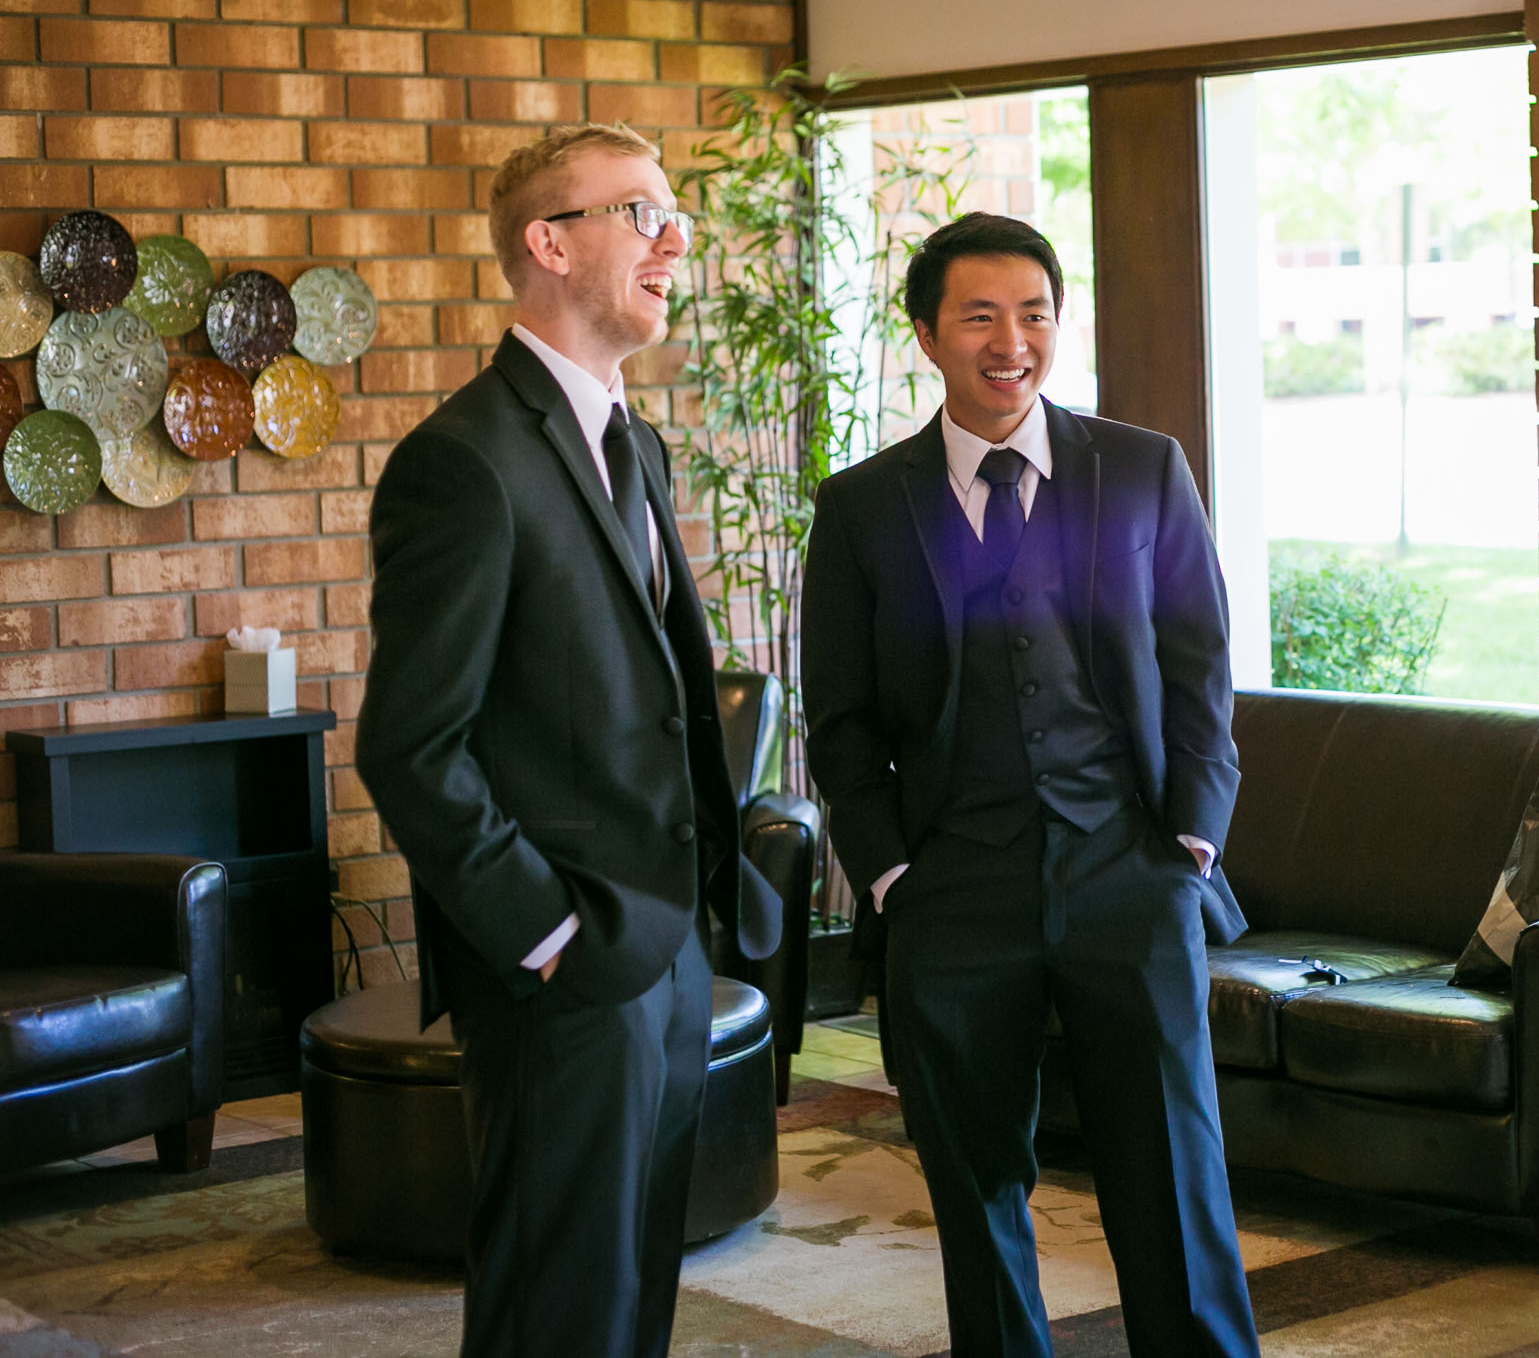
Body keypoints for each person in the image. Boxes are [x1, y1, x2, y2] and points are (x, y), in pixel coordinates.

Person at [801, 212, 1259, 1358]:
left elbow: (1201, 660)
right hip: (952, 882)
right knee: (976, 1179)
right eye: (981, 316)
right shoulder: (861, 507)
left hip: (1130, 866)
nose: (1013, 340)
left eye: (1036, 314)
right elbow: (841, 717)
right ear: (926, 333)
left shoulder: (1141, 466)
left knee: (1173, 1171)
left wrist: (1192, 839)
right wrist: (893, 869)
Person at [358, 124, 780, 1358]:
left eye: (672, 215)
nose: (676, 238)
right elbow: (412, 745)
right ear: (550, 241)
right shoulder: (463, 462)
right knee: (557, 1309)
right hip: (565, 968)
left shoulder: (630, 442)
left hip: (667, 950)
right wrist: (546, 934)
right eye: (641, 212)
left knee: (629, 1297)